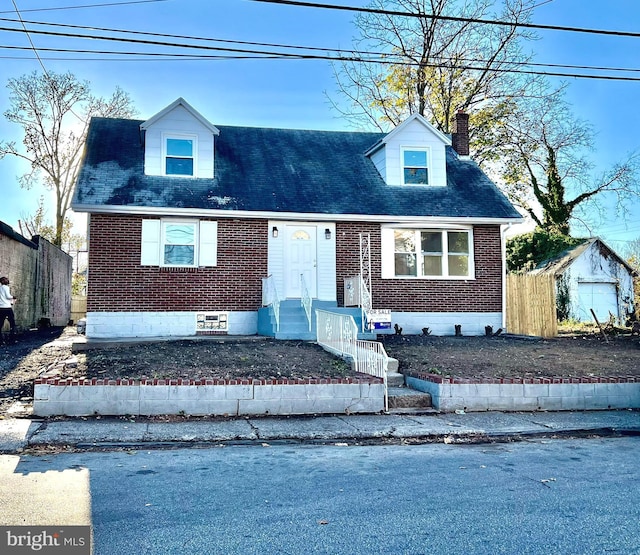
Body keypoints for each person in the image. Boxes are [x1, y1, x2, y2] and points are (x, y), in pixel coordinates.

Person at [0, 276, 17, 343]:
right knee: (12, 323)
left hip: (1, 308)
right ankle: (11, 339)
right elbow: (8, 296)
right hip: (7, 308)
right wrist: (13, 297)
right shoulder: (6, 287)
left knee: (0, 324)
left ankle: (1, 340)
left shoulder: (0, 288)